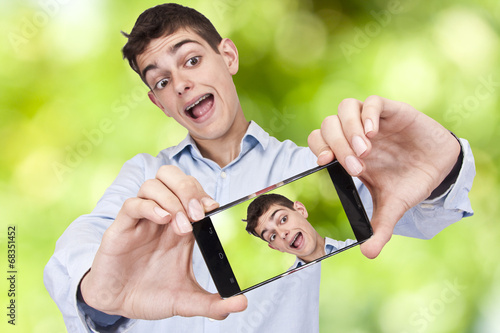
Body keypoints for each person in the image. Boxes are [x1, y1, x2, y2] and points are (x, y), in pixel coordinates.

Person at [43, 3, 475, 332]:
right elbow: (79, 245)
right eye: (161, 80)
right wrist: (98, 292)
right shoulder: (146, 180)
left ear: (227, 56)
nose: (181, 83)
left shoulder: (311, 168)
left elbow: (421, 214)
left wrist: (444, 167)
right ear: (158, 102)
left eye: (191, 60)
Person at [244, 193, 355, 265]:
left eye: (283, 219)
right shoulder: (289, 291)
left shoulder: (358, 248)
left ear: (301, 210)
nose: (282, 234)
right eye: (273, 236)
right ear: (275, 247)